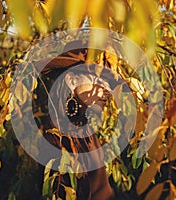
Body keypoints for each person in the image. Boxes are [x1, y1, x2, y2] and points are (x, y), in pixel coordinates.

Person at [34, 42, 118, 200]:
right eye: (97, 80)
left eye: (108, 83)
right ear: (71, 81)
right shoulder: (57, 137)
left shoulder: (85, 131)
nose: (106, 90)